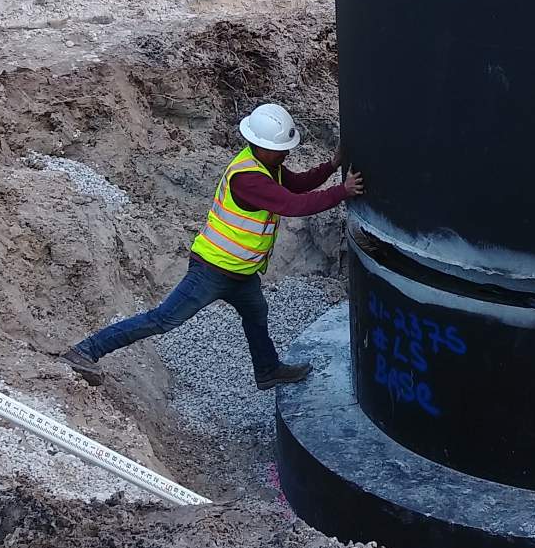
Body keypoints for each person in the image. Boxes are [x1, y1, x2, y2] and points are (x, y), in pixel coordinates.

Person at [59, 103, 363, 389]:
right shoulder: (248, 179)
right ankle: (85, 351)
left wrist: (331, 165)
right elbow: (294, 204)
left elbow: (296, 184)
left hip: (241, 274)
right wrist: (343, 191)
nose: (285, 155)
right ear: (261, 146)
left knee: (256, 314)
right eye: (280, 150)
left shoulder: (267, 166)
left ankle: (268, 370)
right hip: (212, 270)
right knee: (165, 319)